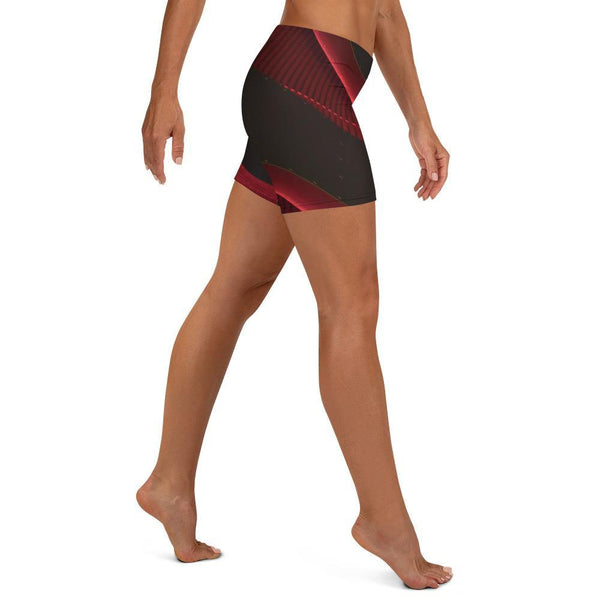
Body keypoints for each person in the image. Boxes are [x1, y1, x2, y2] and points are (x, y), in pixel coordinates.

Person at [137, 0, 451, 589]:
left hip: (307, 83)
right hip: (307, 80)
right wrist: (165, 90)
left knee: (238, 284)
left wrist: (419, 121)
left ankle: (169, 484)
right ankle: (385, 521)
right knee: (351, 305)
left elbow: (383, 10)